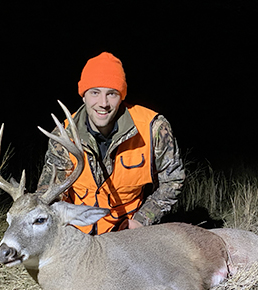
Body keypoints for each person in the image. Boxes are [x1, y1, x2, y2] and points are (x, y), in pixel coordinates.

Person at [37, 52, 185, 235]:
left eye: (112, 94)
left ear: (122, 96)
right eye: (95, 93)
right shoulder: (63, 136)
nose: (103, 103)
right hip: (76, 232)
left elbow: (173, 180)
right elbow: (49, 191)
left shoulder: (153, 128)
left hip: (126, 232)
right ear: (83, 95)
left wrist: (142, 219)